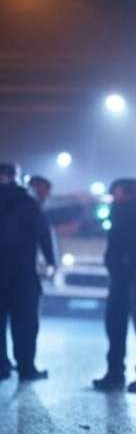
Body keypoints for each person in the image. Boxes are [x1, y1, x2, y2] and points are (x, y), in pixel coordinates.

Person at [93, 178, 136, 392]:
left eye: (116, 191)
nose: (113, 195)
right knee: (118, 326)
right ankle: (116, 372)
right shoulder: (123, 210)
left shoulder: (133, 211)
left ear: (129, 192)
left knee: (134, 325)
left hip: (129, 277)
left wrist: (129, 265)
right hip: (123, 276)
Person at [0, 163, 54, 381]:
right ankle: (26, 367)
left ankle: (2, 366)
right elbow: (43, 233)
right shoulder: (28, 202)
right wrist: (51, 261)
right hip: (22, 272)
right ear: (15, 176)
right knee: (25, 324)